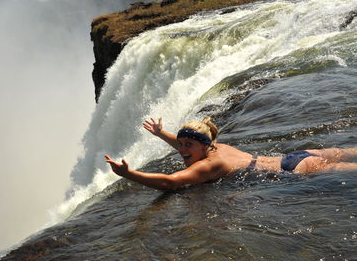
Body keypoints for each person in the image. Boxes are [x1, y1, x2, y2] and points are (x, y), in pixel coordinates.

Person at [104, 117, 357, 190]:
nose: (181, 150)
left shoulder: (209, 166)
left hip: (294, 170)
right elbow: (189, 146)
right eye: (179, 144)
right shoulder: (217, 147)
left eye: (186, 146)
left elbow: (170, 183)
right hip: (297, 155)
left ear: (204, 147)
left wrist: (130, 174)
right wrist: (162, 134)